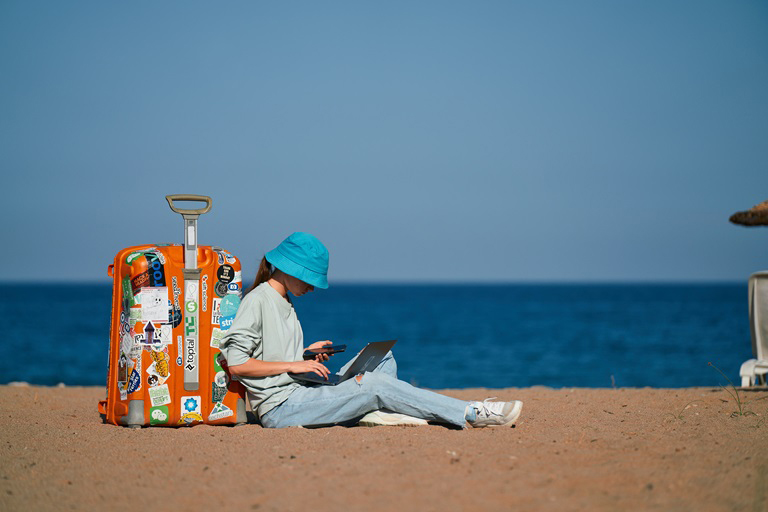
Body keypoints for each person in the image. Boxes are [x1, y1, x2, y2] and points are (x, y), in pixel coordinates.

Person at [218, 232, 523, 429]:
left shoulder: (282, 299)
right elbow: (238, 363)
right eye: (309, 278)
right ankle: (471, 412)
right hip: (282, 407)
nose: (312, 287)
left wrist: (306, 353)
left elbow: (268, 353)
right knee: (374, 385)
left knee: (382, 358)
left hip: (303, 388)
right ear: (290, 269)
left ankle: (371, 413)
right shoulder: (257, 300)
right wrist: (294, 364)